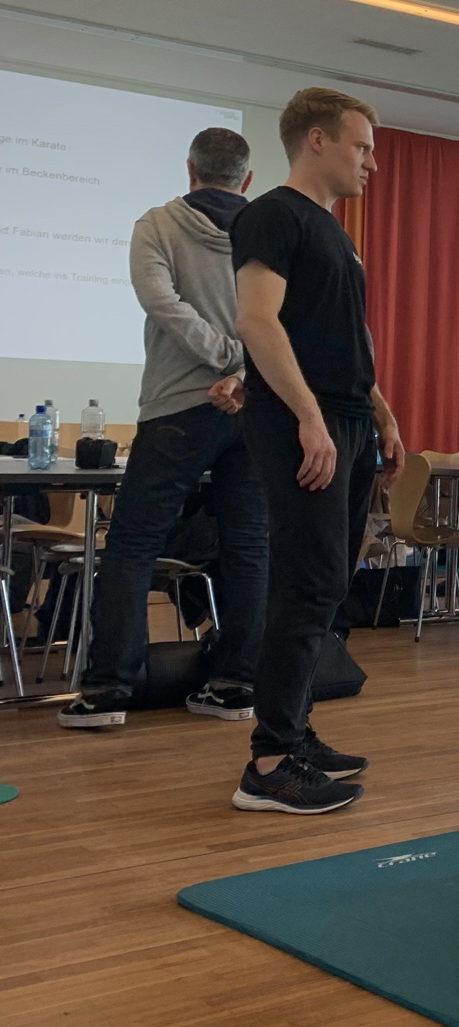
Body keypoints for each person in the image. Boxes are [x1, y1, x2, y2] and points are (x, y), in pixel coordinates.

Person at [229, 87, 406, 814]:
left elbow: (344, 339)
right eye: (362, 147)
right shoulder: (272, 215)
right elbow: (257, 320)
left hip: (348, 420)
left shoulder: (334, 232)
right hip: (306, 422)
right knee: (307, 583)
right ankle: (269, 762)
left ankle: (294, 732)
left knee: (327, 583)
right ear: (317, 140)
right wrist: (308, 418)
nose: (371, 162)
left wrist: (382, 413)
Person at [60, 129, 270, 731]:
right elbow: (282, 317)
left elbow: (160, 301)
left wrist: (219, 356)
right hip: (253, 404)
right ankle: (236, 684)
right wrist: (240, 366)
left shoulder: (157, 223)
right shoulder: (267, 229)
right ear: (247, 179)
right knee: (249, 546)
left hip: (177, 406)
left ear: (190, 170)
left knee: (133, 545)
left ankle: (109, 690)